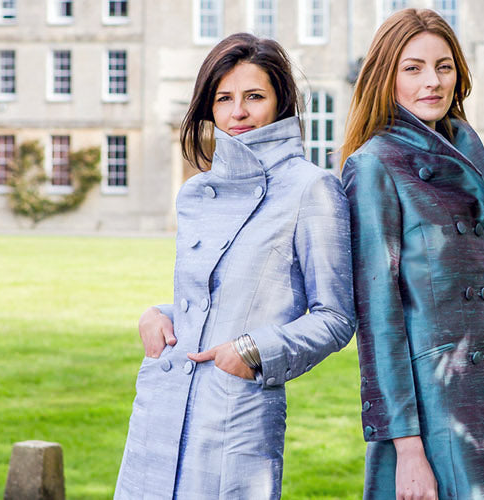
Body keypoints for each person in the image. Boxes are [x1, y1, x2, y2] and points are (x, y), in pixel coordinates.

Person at [114, 33, 355, 499]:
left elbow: (336, 317)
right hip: (163, 406)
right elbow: (212, 300)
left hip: (234, 412)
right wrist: (158, 314)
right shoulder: (195, 193)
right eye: (224, 98)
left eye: (254, 97)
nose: (237, 113)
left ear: (280, 101)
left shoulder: (313, 189)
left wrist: (252, 351)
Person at [341, 9, 484, 500]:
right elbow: (380, 318)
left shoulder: (459, 154)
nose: (432, 82)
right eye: (413, 68)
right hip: (425, 409)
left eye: (444, 67)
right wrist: (408, 450)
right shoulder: (375, 165)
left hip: (477, 397)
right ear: (386, 77)